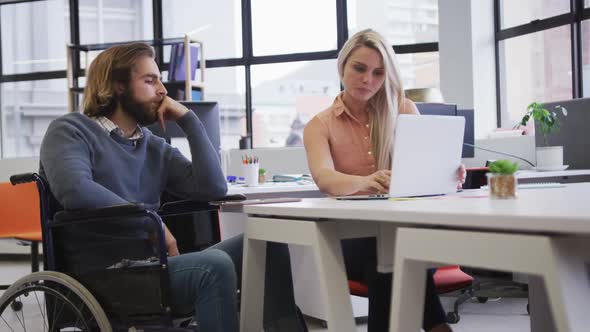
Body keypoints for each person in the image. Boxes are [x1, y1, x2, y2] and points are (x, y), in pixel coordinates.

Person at [40, 43, 305, 332]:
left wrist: (190, 122)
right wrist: (150, 223)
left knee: (266, 244)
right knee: (213, 265)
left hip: (155, 266)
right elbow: (74, 189)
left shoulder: (154, 146)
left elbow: (213, 188)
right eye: (150, 80)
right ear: (117, 86)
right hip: (106, 274)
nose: (163, 90)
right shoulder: (71, 130)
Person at [303, 29, 464, 332]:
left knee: (396, 251)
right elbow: (325, 178)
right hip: (350, 238)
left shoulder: (403, 109)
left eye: (379, 73)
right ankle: (438, 327)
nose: (368, 80)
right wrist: (366, 181)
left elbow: (424, 169)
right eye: (359, 68)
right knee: (389, 255)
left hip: (404, 229)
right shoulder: (319, 124)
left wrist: (447, 172)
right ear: (342, 66)